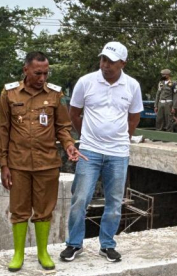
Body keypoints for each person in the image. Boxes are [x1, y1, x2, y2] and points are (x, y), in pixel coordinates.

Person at [0, 51, 82, 272]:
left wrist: (69, 145)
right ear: (26, 70)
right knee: (19, 209)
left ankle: (43, 252)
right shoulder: (9, 94)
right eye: (37, 73)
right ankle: (18, 254)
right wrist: (3, 164)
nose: (42, 78)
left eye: (46, 73)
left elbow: (62, 127)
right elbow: (2, 130)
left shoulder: (55, 95)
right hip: (18, 163)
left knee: (44, 210)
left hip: (47, 163)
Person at [60, 41, 143, 263]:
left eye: (111, 62)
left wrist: (123, 137)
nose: (105, 65)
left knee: (114, 202)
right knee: (81, 198)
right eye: (103, 59)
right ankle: (74, 244)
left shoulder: (132, 85)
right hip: (90, 151)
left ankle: (107, 245)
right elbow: (74, 113)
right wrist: (86, 137)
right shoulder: (86, 82)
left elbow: (134, 116)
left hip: (118, 153)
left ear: (122, 63)